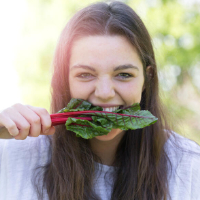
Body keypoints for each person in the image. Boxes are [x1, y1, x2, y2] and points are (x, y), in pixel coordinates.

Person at [0, 1, 200, 200]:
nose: (105, 93)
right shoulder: (15, 154)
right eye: (85, 74)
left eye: (123, 74)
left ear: (147, 78)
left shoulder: (189, 164)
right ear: (65, 80)